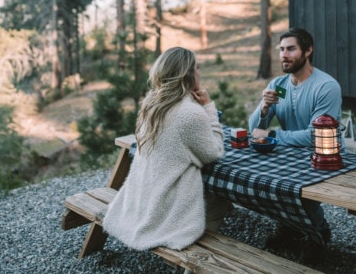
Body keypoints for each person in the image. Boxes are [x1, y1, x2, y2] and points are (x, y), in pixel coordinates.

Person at [103, 47, 231, 251]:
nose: (199, 72)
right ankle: (197, 261)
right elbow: (213, 153)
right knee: (221, 201)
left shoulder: (151, 105)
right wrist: (208, 107)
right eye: (196, 68)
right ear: (188, 74)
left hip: (144, 194)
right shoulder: (190, 113)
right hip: (167, 201)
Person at [248, 27, 342, 250]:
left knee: (298, 188)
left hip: (324, 156)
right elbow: (253, 129)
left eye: (291, 49)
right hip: (291, 152)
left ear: (308, 51)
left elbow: (316, 135)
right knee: (262, 180)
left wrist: (272, 134)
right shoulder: (278, 87)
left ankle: (318, 232)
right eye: (281, 49)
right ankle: (289, 226)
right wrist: (264, 107)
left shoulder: (326, 87)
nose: (284, 55)